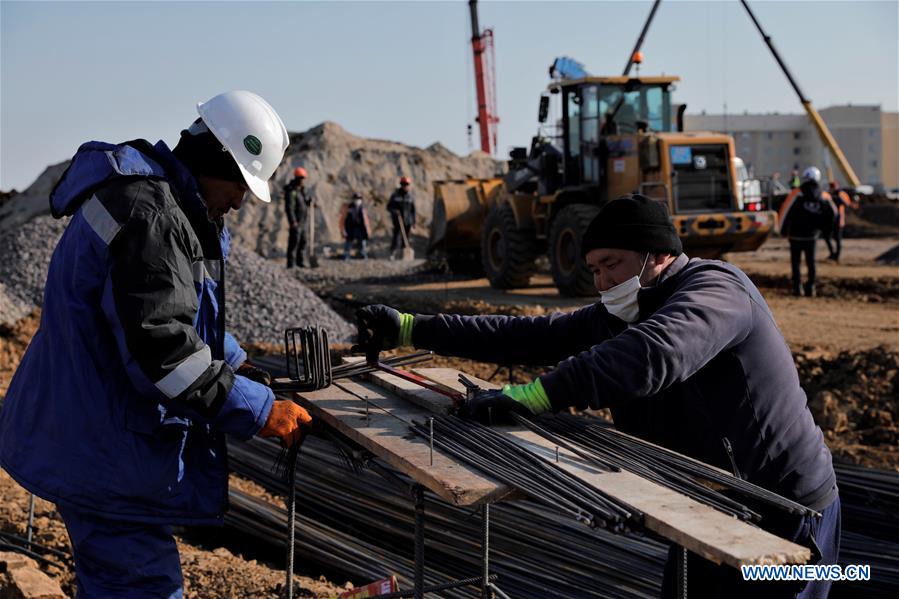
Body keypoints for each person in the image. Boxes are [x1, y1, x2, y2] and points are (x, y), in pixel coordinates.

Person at [356, 194, 840, 599]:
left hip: (785, 512)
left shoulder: (717, 289)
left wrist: (536, 395)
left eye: (612, 264)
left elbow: (654, 354)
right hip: (708, 507)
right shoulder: (622, 311)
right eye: (594, 269)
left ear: (657, 254)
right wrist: (411, 327)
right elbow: (528, 335)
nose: (604, 282)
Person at [0, 91, 314, 597]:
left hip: (86, 432)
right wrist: (260, 411)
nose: (239, 202)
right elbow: (166, 355)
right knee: (142, 587)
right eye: (240, 184)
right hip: (103, 453)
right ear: (216, 160)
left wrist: (236, 362)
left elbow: (175, 313)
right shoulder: (154, 218)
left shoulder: (156, 202)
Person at [777, 167, 837, 297]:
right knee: (811, 262)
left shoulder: (796, 193)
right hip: (812, 236)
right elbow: (834, 213)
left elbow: (785, 211)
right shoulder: (824, 195)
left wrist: (781, 230)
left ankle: (797, 288)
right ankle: (811, 287)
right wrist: (826, 229)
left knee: (796, 263)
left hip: (795, 235)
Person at [283, 166, 314, 268]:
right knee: (294, 242)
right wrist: (293, 222)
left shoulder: (301, 190)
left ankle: (300, 262)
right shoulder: (291, 191)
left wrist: (308, 202)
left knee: (303, 241)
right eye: (301, 178)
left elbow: (303, 202)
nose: (303, 181)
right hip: (296, 222)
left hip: (303, 221)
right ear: (297, 178)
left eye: (303, 178)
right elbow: (289, 207)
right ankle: (291, 264)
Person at [824, 181, 857, 262]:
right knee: (827, 237)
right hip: (829, 220)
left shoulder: (840, 195)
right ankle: (832, 254)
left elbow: (846, 205)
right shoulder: (829, 195)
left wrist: (839, 199)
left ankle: (836, 256)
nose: (832, 189)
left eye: (833, 187)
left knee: (837, 239)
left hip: (839, 221)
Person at [387, 176, 416, 259]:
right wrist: (395, 211)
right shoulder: (395, 195)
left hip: (408, 221)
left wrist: (413, 221)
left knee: (406, 238)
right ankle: (393, 253)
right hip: (398, 221)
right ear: (401, 185)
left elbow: (413, 210)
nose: (405, 186)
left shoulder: (410, 196)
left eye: (407, 184)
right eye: (403, 184)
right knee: (396, 237)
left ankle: (404, 254)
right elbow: (389, 207)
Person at [340, 191, 371, 260]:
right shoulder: (348, 208)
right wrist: (343, 229)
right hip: (350, 227)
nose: (357, 200)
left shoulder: (362, 209)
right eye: (356, 198)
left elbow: (366, 221)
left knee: (362, 242)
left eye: (359, 198)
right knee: (348, 242)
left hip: (361, 228)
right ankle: (346, 255)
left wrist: (368, 230)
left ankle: (362, 254)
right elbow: (343, 219)